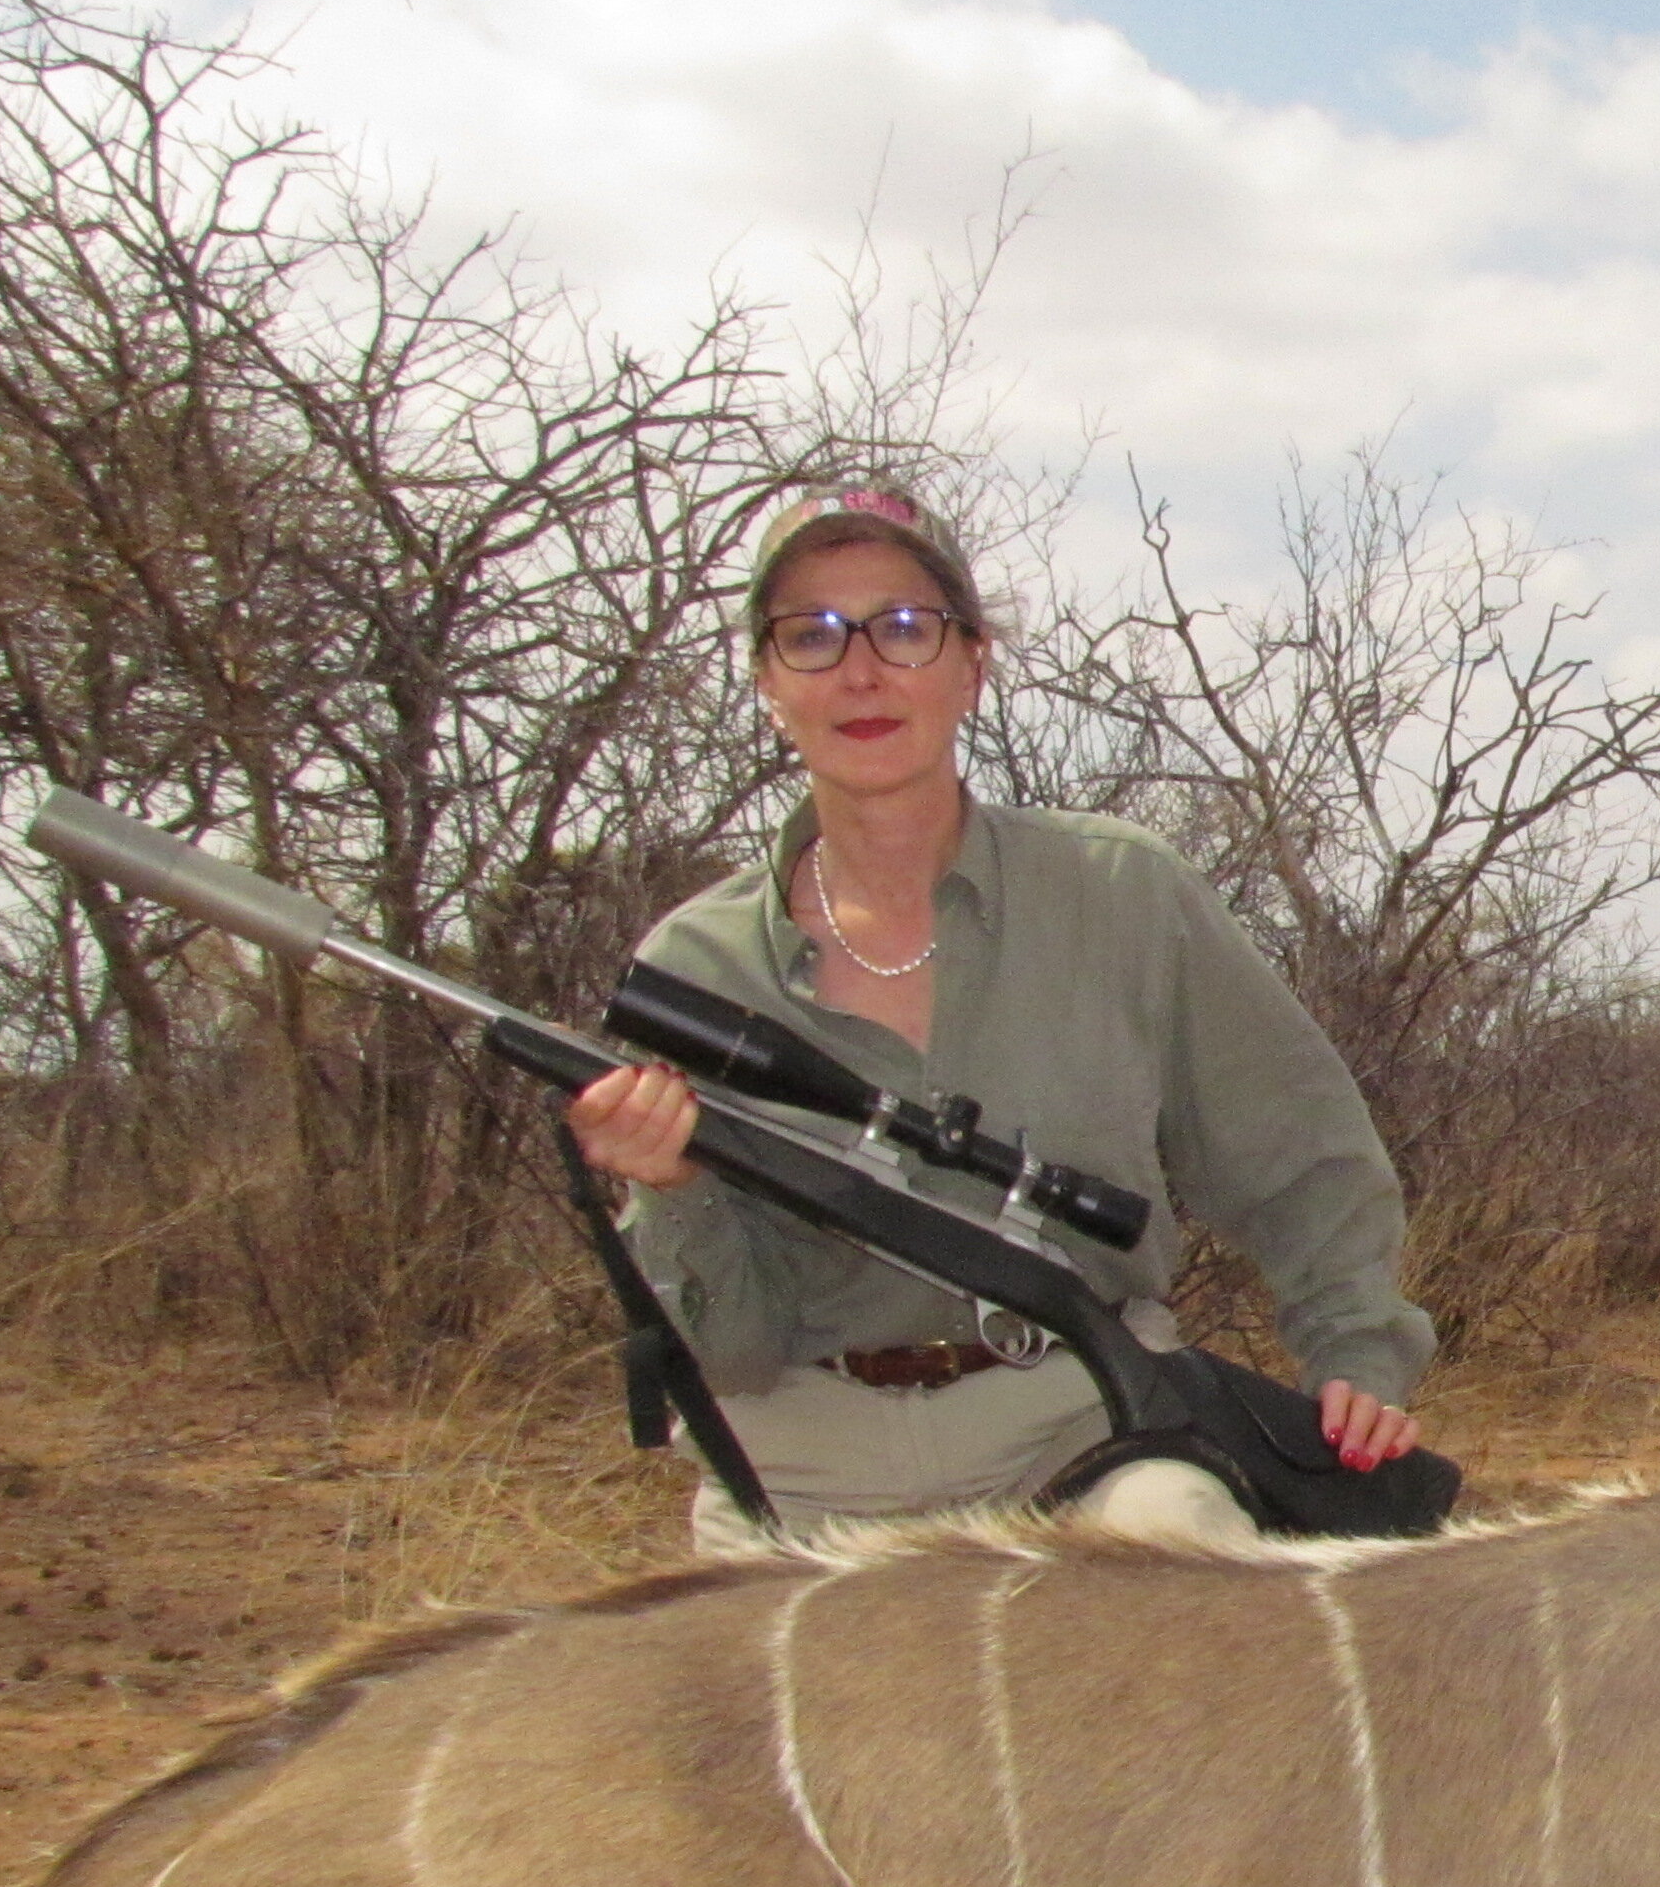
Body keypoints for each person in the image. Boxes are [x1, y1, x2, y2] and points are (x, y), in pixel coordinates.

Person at [567, 486, 1431, 1554]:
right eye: (812, 636)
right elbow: (733, 1357)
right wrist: (672, 1187)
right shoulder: (693, 967)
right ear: (766, 681)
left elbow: (1300, 1157)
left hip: (1078, 1426)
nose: (861, 670)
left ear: (972, 664)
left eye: (903, 627)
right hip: (800, 1471)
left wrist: (1356, 1351)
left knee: (1188, 1572)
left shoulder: (1124, 892)